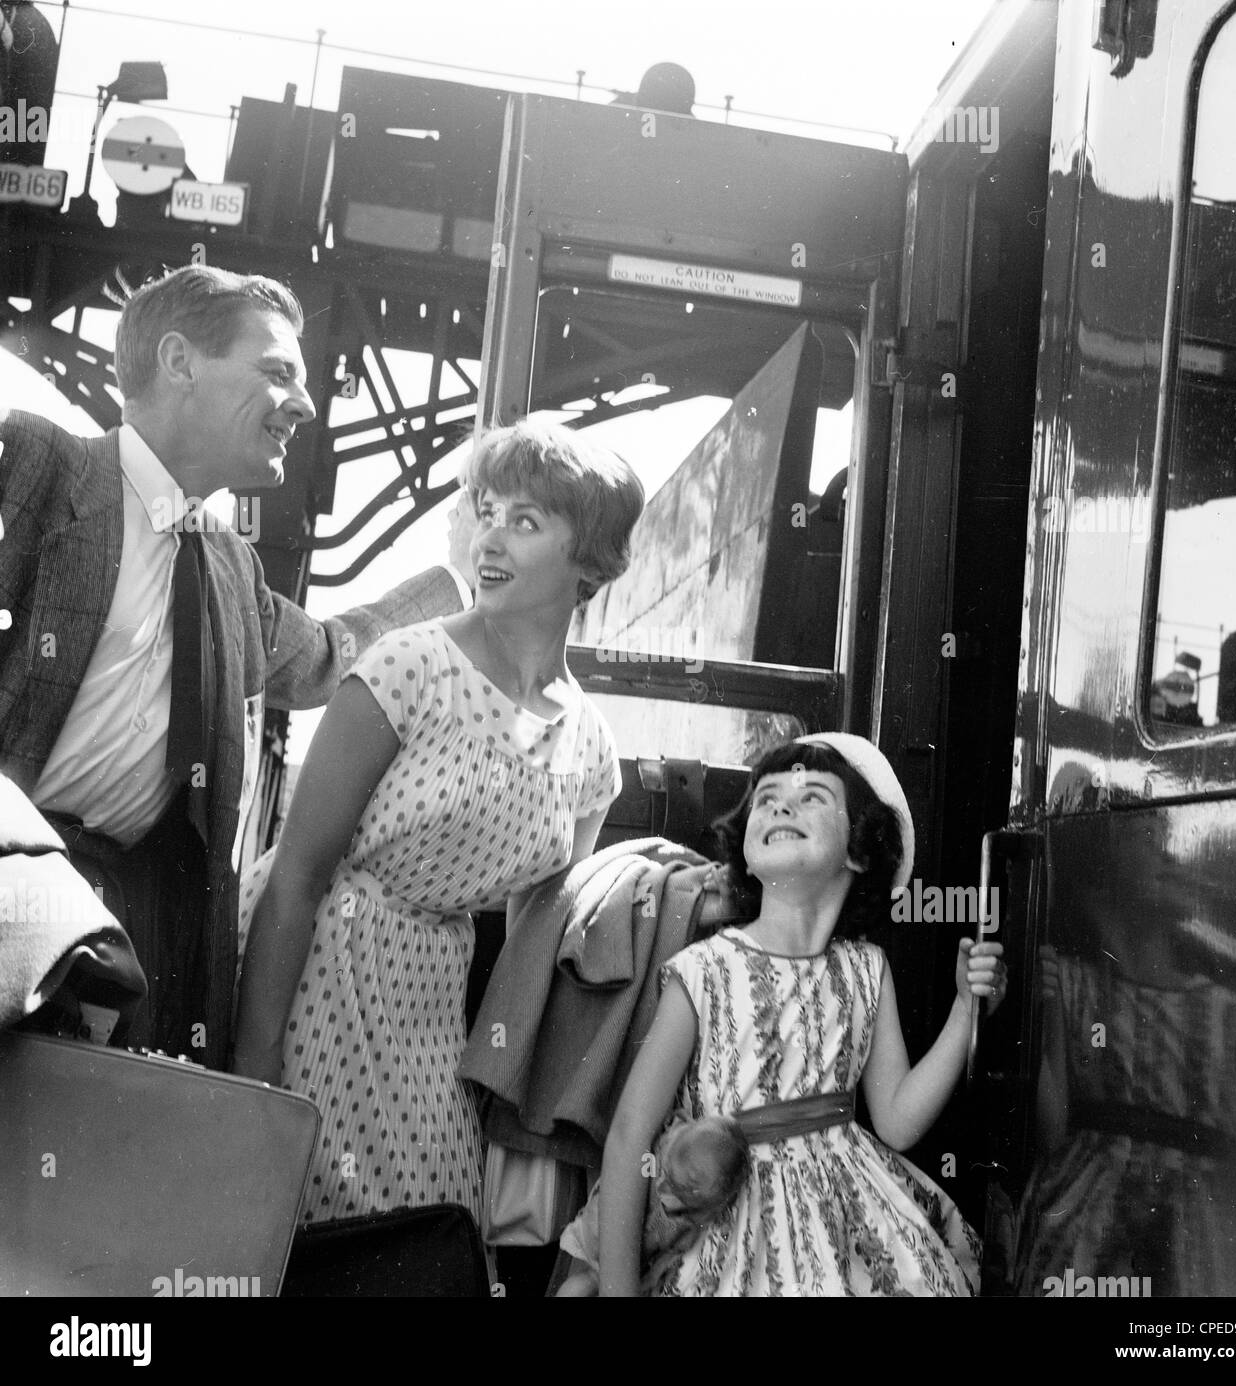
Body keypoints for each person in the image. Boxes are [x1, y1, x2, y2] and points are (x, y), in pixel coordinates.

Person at [0, 265, 468, 1067]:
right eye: (278, 370)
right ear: (180, 363)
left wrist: (459, 584)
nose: (304, 403)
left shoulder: (228, 564)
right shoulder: (35, 465)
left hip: (133, 932)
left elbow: (323, 659)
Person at [232, 419, 645, 1228]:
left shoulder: (594, 750)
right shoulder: (407, 664)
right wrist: (256, 1070)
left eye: (525, 521)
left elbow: (535, 949)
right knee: (299, 1220)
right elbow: (296, 877)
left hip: (432, 1007)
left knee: (435, 1225)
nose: (489, 536)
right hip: (316, 968)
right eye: (485, 509)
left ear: (591, 559)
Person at [597, 732, 1007, 1296]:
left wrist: (966, 1009)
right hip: (728, 1233)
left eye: (812, 795)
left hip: (850, 1234)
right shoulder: (703, 971)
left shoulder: (867, 970)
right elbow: (628, 1137)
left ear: (860, 850)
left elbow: (896, 1121)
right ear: (745, 846)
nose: (782, 805)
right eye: (766, 798)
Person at [555, 1114, 749, 1296]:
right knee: (588, 1280)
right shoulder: (661, 1151)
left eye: (675, 1188)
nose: (663, 1185)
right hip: (604, 1224)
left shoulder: (690, 1220)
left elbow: (672, 1253)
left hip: (634, 1254)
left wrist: (650, 1278)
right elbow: (634, 1164)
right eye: (667, 1170)